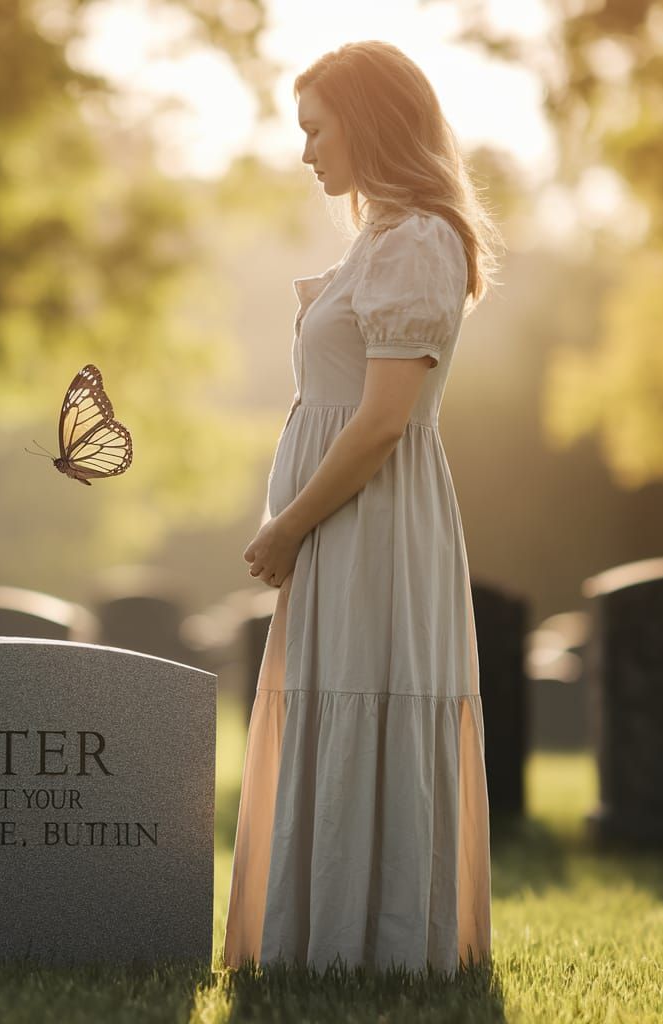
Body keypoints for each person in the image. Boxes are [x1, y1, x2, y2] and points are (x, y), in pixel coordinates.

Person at [222, 40, 505, 978]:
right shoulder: (379, 242)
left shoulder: (419, 240)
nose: (306, 153)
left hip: (372, 521)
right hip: (347, 523)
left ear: (369, 123)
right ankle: (317, 944)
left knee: (364, 690)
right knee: (331, 693)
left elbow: (384, 418)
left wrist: (290, 522)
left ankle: (373, 954)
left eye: (315, 128)